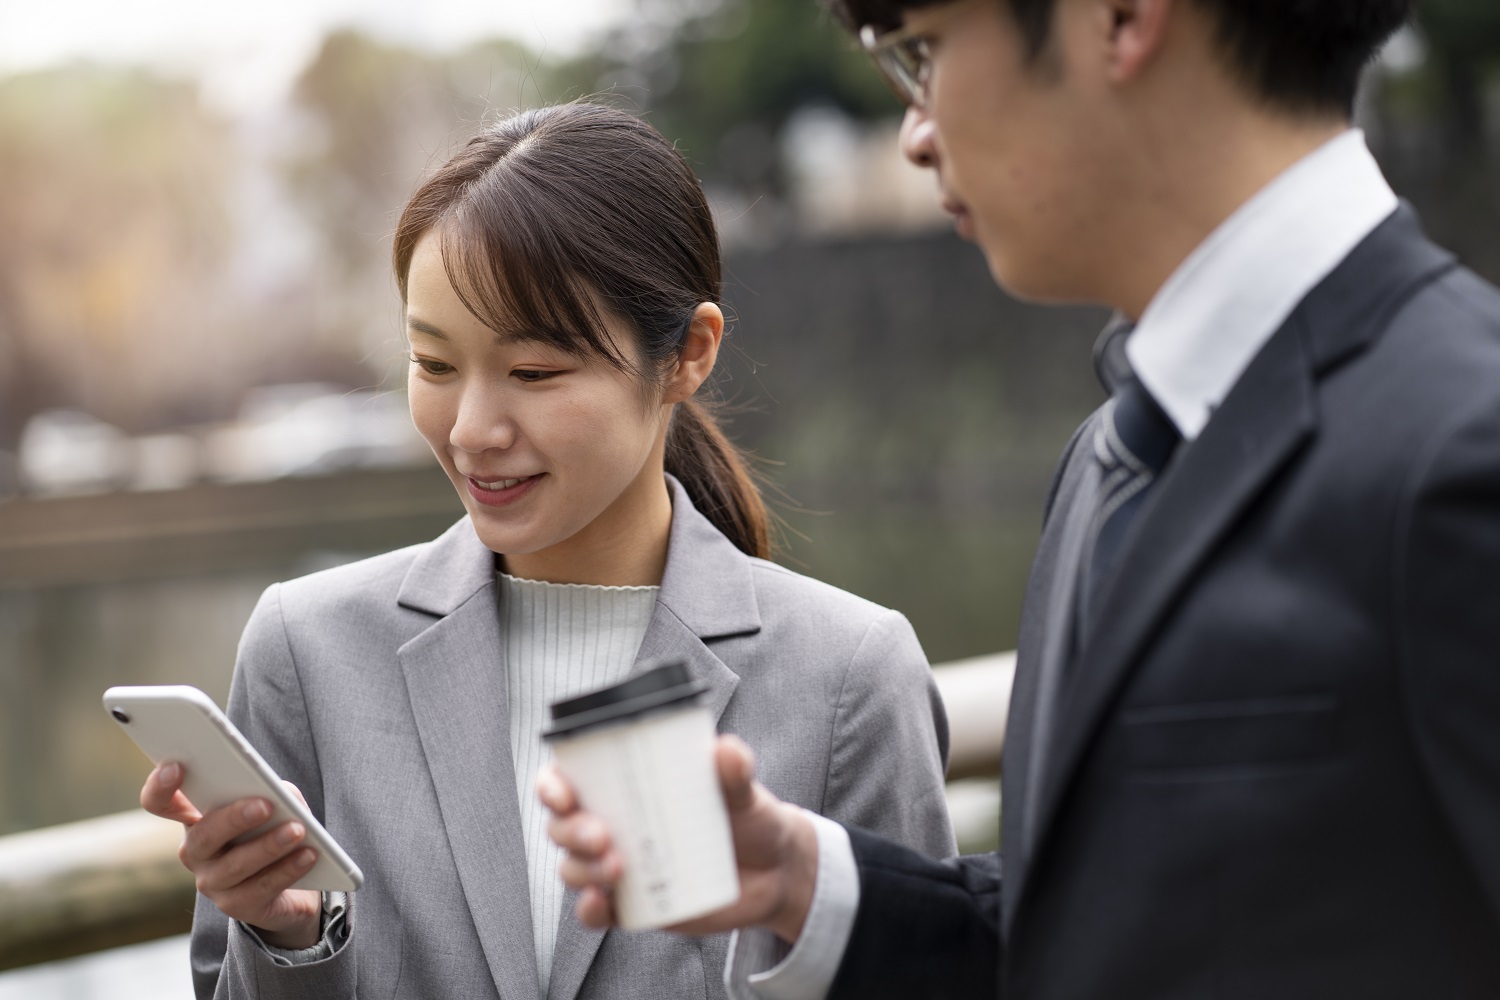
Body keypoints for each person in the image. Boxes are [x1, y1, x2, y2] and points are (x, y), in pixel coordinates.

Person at [546, 0, 1500, 996]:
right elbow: (1102, 932)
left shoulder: (1467, 447)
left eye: (925, 51)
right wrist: (806, 879)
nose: (916, 132)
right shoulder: (1109, 454)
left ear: (1122, 18)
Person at [139, 102, 956, 1000]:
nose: (473, 430)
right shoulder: (308, 651)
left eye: (533, 373)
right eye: (435, 365)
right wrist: (291, 938)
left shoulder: (850, 679)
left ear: (688, 353)